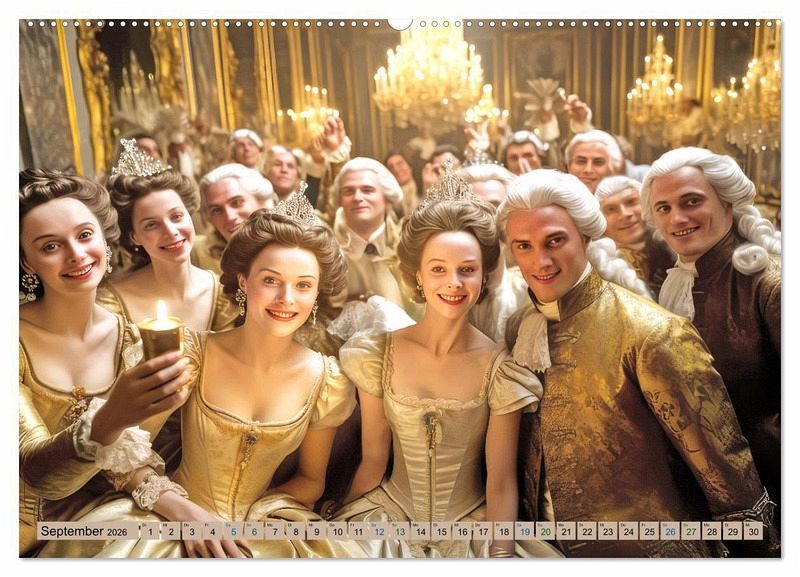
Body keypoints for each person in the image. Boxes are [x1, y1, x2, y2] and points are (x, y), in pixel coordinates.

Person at [40, 197, 366, 559]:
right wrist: (186, 515)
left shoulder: (327, 379)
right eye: (271, 280)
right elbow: (122, 451)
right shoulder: (192, 353)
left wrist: (253, 523)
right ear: (243, 281)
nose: (286, 298)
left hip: (262, 529)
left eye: (303, 285)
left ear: (317, 293)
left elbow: (311, 480)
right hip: (170, 521)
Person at [497, 169, 774, 557]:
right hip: (542, 550)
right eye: (523, 246)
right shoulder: (517, 329)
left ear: (585, 236)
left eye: (555, 240)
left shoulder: (652, 333)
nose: (539, 260)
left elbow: (729, 480)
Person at [331, 185, 561, 559]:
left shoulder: (501, 370)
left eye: (466, 270)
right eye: (438, 269)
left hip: (472, 528)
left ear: (483, 277)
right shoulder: (378, 354)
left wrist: (501, 553)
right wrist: (335, 514)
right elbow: (373, 460)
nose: (454, 282)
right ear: (419, 276)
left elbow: (501, 482)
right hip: (385, 520)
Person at [19, 169, 189, 556]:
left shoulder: (132, 340)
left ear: (104, 239)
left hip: (104, 514)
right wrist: (110, 417)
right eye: (50, 246)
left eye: (84, 235)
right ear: (27, 262)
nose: (76, 254)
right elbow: (37, 473)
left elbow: (122, 462)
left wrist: (181, 507)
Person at [640, 147, 781, 521]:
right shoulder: (675, 281)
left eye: (692, 201)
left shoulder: (770, 286)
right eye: (663, 207)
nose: (677, 218)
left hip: (768, 492)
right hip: (695, 492)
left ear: (727, 203)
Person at [97, 139, 237, 333]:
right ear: (134, 236)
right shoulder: (111, 303)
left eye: (176, 216)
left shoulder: (224, 291)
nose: (171, 231)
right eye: (152, 225)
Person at [330, 157, 419, 317]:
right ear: (340, 201)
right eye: (349, 191)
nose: (357, 197)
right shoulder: (328, 255)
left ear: (386, 197)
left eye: (367, 190)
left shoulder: (410, 248)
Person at [192, 162, 276, 275]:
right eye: (217, 210)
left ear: (262, 202)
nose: (229, 217)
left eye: (237, 202)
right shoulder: (197, 252)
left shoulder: (293, 247)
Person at [595, 175, 673, 295]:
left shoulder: (674, 250)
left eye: (631, 202)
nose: (625, 214)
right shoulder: (599, 268)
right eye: (611, 209)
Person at [385, 149, 420, 218]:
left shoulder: (425, 189)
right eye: (391, 167)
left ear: (410, 166)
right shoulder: (389, 203)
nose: (396, 170)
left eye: (400, 164)